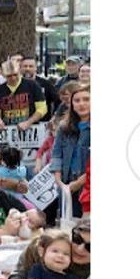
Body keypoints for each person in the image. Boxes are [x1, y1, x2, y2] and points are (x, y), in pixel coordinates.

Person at [50, 85, 91, 213]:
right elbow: (56, 154)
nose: (81, 104)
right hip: (67, 181)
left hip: (88, 183)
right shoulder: (64, 127)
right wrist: (59, 181)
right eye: (77, 100)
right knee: (67, 222)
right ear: (71, 104)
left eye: (86, 99)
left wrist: (79, 183)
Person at [0, 56, 46, 131]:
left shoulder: (32, 85)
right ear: (4, 76)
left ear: (19, 72)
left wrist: (29, 122)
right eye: (9, 76)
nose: (13, 78)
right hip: (7, 129)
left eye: (15, 75)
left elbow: (42, 108)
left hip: (31, 129)